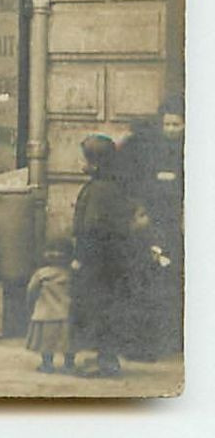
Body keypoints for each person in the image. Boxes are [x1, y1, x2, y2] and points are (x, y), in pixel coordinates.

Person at [115, 97, 184, 358]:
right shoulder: (147, 151)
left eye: (176, 124)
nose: (170, 129)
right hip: (153, 229)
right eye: (167, 124)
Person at [71, 134, 140, 378]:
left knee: (100, 309)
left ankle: (107, 363)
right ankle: (106, 360)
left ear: (96, 164)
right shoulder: (114, 186)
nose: (82, 165)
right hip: (113, 259)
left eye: (86, 160)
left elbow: (91, 228)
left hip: (98, 261)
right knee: (108, 308)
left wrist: (80, 256)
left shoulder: (98, 190)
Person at [25, 238, 77, 374]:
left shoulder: (41, 274)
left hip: (46, 314)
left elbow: (31, 290)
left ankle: (47, 365)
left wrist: (31, 304)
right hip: (65, 313)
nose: (55, 254)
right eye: (51, 251)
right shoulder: (70, 273)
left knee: (47, 342)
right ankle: (69, 364)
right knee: (68, 342)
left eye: (60, 251)